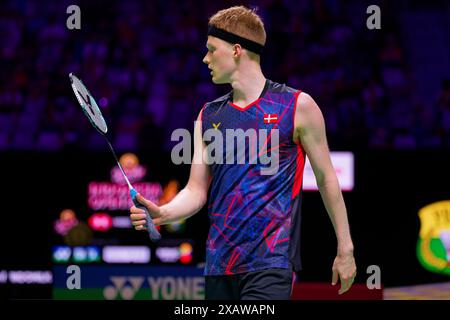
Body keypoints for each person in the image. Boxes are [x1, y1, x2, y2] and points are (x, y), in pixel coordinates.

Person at [130, 6, 356, 300]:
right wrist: (163, 213)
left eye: (212, 50)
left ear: (237, 50)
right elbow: (196, 191)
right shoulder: (208, 115)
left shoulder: (296, 106)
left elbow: (326, 180)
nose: (205, 58)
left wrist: (345, 247)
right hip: (217, 266)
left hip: (270, 265)